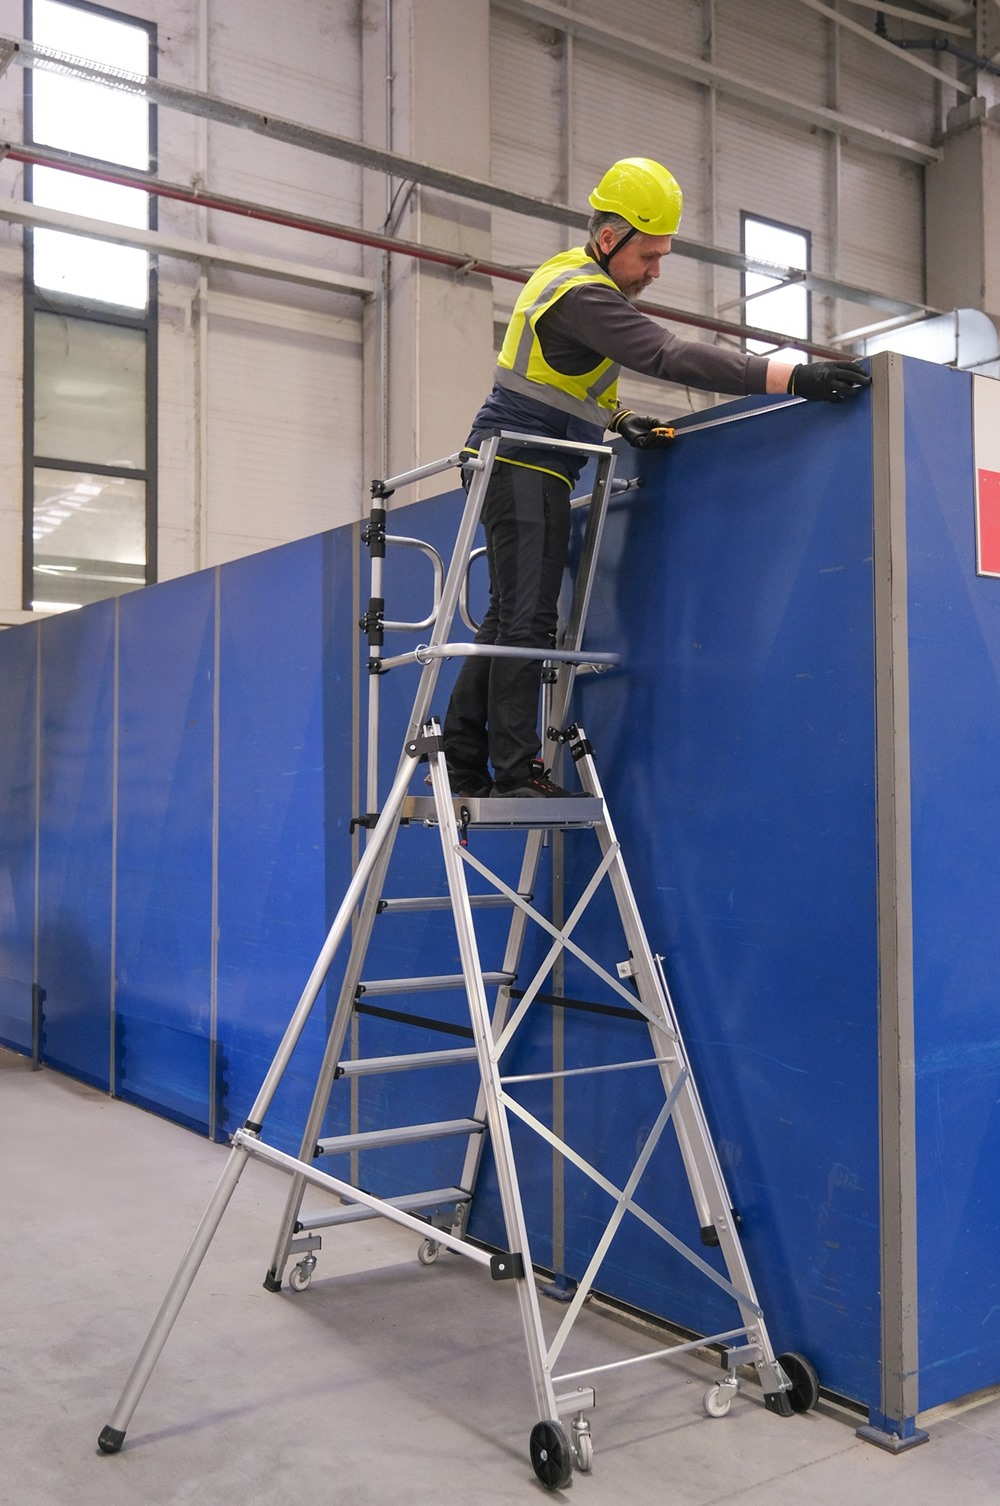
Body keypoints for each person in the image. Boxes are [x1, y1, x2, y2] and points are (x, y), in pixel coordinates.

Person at [442, 157, 870, 798]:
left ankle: (461, 760)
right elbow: (666, 353)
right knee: (526, 620)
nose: (655, 271)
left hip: (528, 459)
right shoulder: (582, 293)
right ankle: (516, 772)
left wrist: (619, 417)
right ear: (609, 238)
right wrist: (791, 375)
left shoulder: (580, 285)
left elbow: (566, 380)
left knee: (509, 617)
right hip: (523, 459)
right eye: (649, 255)